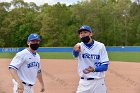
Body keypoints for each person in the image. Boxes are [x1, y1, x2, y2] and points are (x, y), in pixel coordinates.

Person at [73, 25, 109, 93]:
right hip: (84, 83)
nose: (83, 34)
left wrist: (94, 69)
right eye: (81, 33)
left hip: (98, 82)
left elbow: (105, 66)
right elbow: (75, 55)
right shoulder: (79, 46)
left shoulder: (100, 46)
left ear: (91, 34)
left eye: (85, 32)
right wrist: (75, 50)